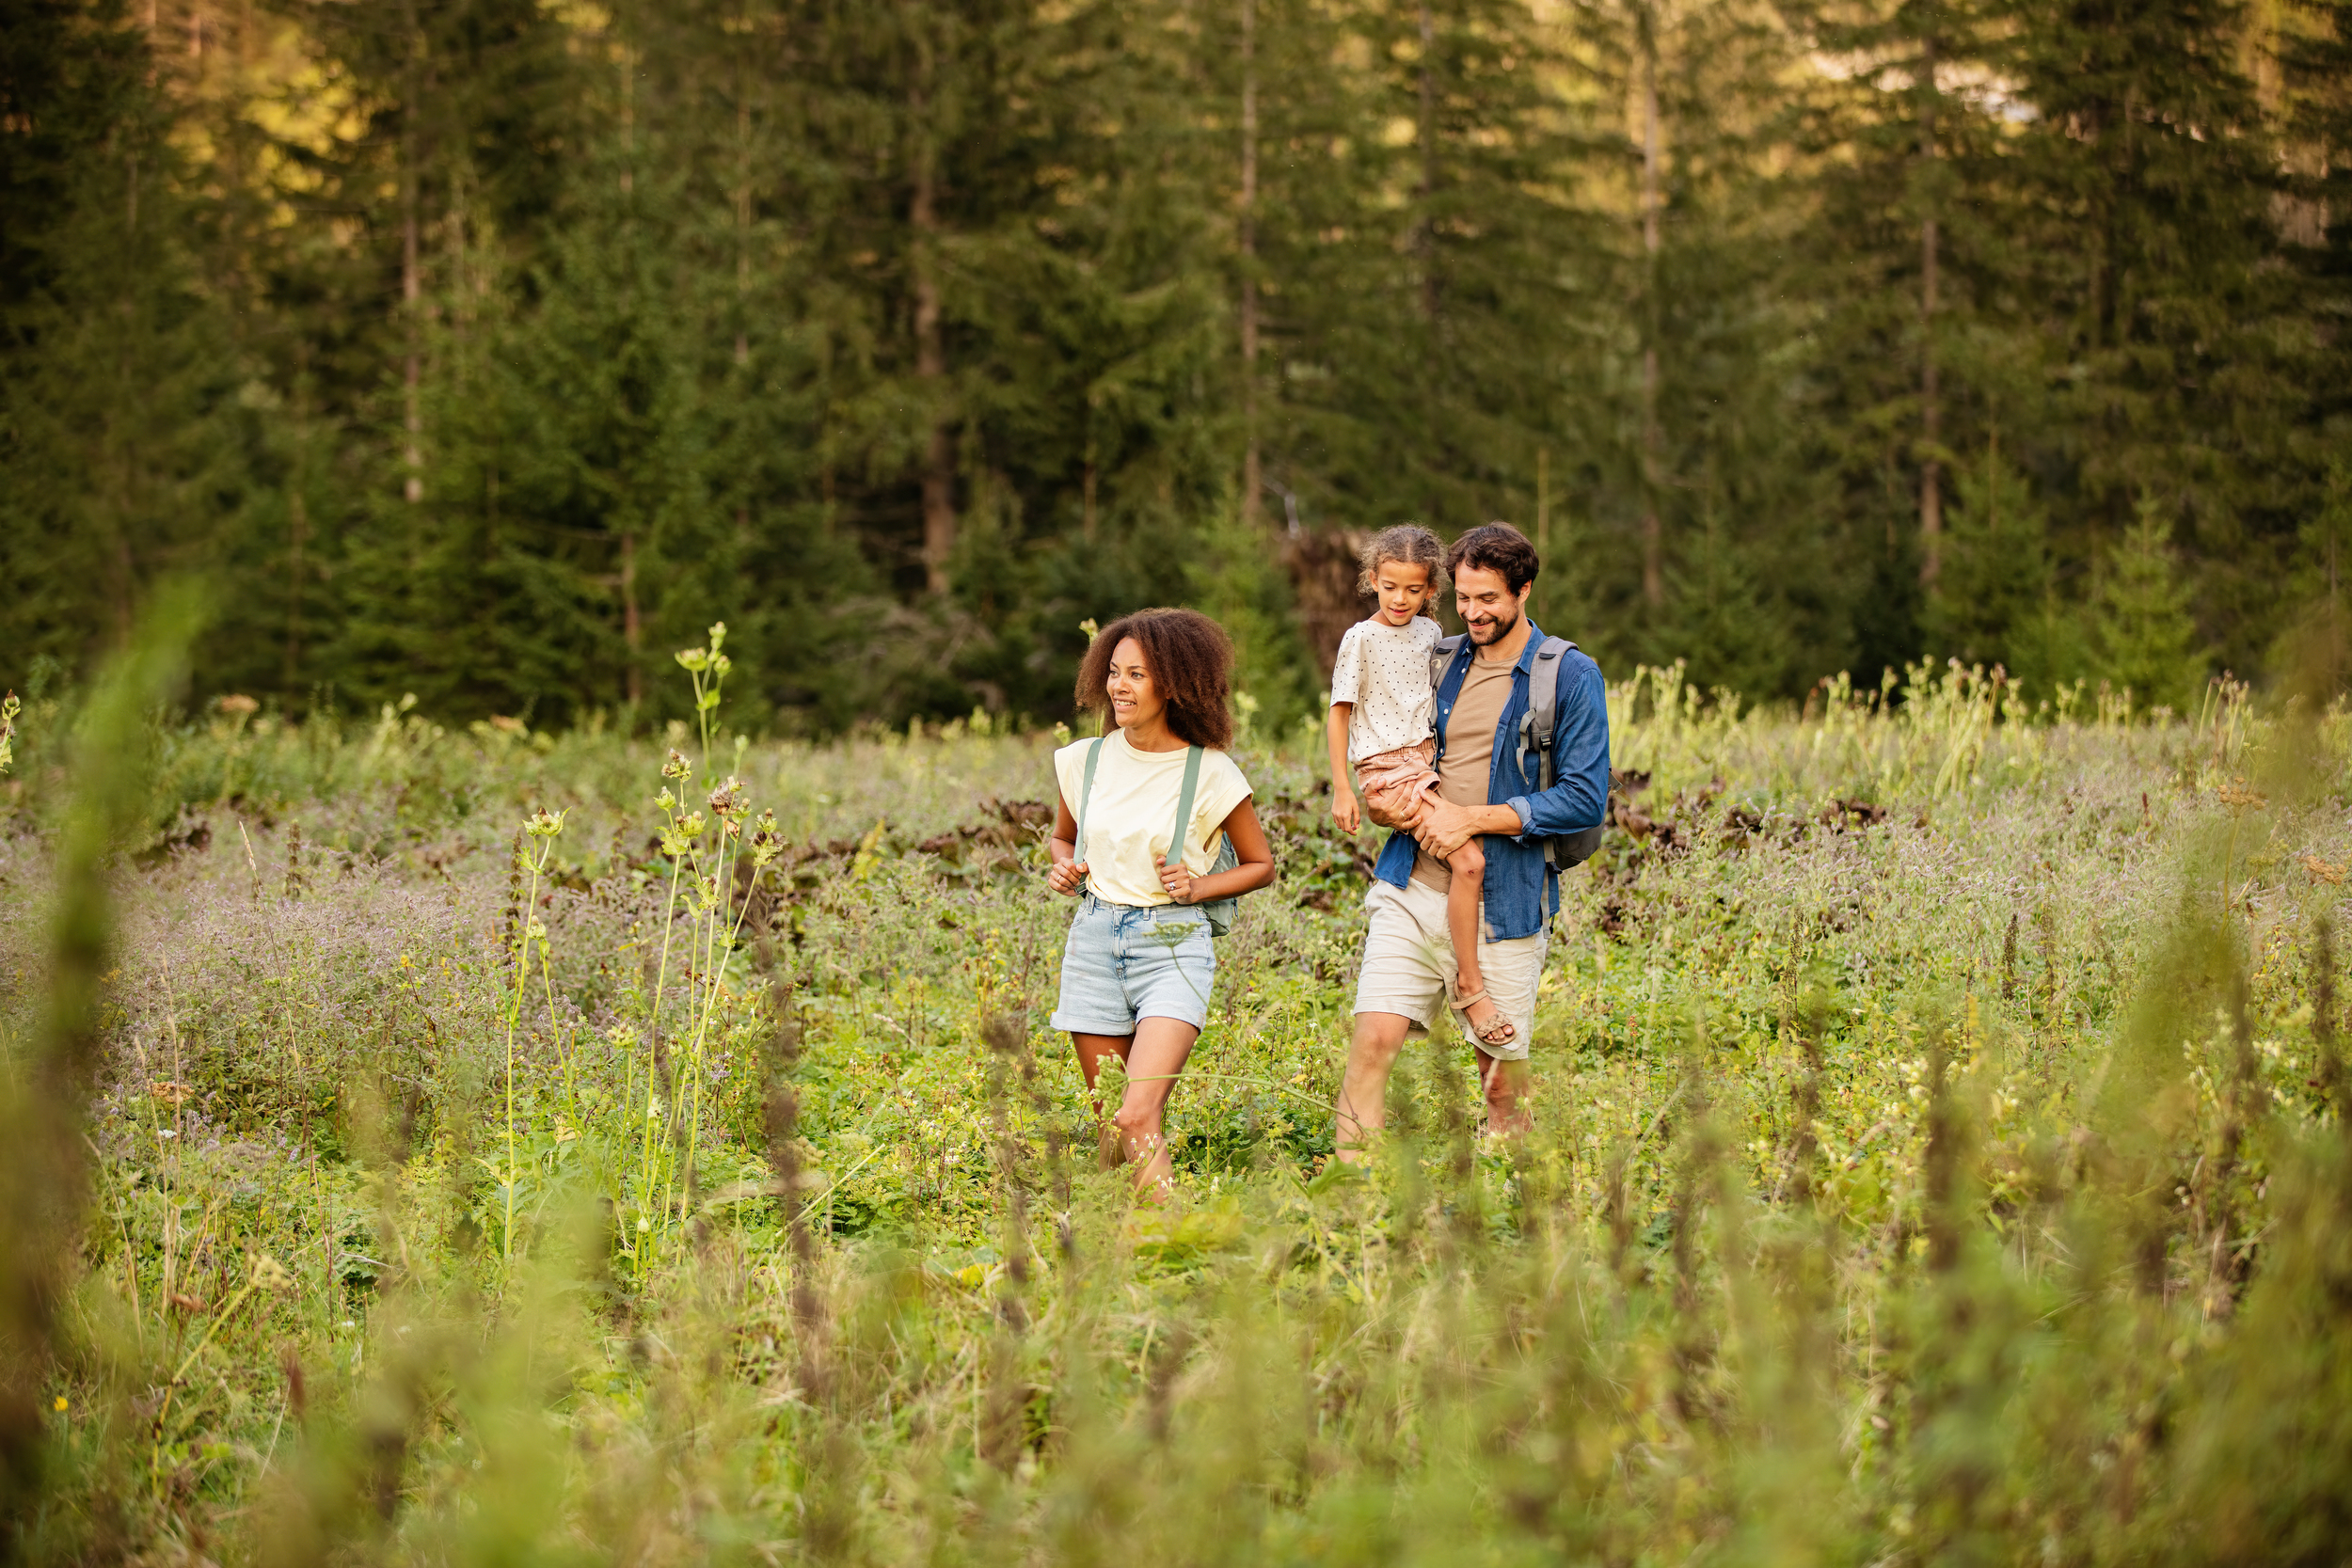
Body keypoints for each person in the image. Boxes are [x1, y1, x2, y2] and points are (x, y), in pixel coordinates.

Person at [1333, 522, 1609, 1159]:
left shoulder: (1568, 675)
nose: (1472, 612)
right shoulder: (1439, 656)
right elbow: (1377, 723)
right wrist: (1375, 793)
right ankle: (1351, 1203)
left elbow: (1584, 798)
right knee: (1372, 1041)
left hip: (1505, 899)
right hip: (1411, 882)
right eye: (1462, 597)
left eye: (1488, 599)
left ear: (1525, 590)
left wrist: (1471, 819)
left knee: (1501, 1090)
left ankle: (1506, 1220)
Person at [1045, 609, 1278, 1198]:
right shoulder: (1085, 759)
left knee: (1135, 1115)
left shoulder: (1212, 772)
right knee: (1110, 1125)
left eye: (1137, 676)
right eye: (1115, 673)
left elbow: (1261, 865)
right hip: (1094, 940)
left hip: (1172, 948)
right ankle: (1113, 1259)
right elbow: (1062, 836)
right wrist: (1063, 864)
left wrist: (1198, 886)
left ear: (1174, 684)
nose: (1119, 688)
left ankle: (1172, 1248)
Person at [1325, 526, 1515, 1051]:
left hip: (1426, 763)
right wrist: (1344, 788)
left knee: (1465, 864)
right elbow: (1339, 714)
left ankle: (1432, 974)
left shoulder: (1432, 635)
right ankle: (1470, 989)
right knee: (1470, 863)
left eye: (1413, 589)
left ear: (1431, 589)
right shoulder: (1360, 638)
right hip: (1388, 769)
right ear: (1372, 581)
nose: (1400, 599)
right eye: (1389, 587)